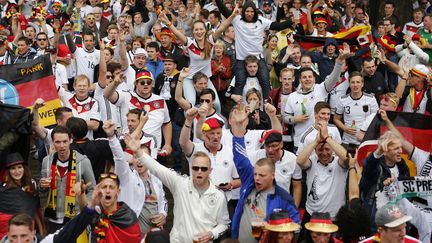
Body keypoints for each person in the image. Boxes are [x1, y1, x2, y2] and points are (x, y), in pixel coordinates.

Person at [124, 134, 230, 242]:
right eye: (195, 168)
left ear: (210, 170)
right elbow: (157, 168)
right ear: (191, 169)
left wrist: (212, 234)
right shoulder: (180, 183)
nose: (199, 171)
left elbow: (224, 223)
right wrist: (139, 152)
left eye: (203, 169)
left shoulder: (218, 195)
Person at [230, 105, 299, 242]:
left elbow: (295, 227)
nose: (256, 178)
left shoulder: (283, 198)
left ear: (273, 175)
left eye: (262, 176)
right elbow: (240, 158)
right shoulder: (249, 182)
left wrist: (275, 230)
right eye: (255, 174)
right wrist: (238, 130)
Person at [158, 5, 237, 113]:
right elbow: (176, 33)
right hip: (190, 79)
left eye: (201, 29)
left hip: (205, 79)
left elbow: (222, 27)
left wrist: (233, 15)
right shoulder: (189, 43)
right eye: (196, 30)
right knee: (191, 105)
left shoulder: (210, 40)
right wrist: (167, 22)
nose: (199, 32)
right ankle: (190, 126)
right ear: (193, 32)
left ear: (205, 30)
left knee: (217, 104)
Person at [103, 120, 167, 236]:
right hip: (132, 235)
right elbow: (119, 158)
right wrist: (112, 137)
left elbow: (164, 201)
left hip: (153, 235)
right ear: (132, 158)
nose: (139, 161)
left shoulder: (156, 179)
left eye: (143, 157)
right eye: (136, 157)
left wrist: (163, 214)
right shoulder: (127, 177)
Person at [284, 43, 352, 151]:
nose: (307, 79)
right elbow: (285, 117)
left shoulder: (321, 89)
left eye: (310, 77)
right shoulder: (292, 96)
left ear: (314, 79)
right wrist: (294, 119)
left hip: (321, 141)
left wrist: (339, 61)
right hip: (300, 142)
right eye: (304, 77)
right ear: (300, 80)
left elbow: (334, 77)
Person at [40, 126, 96, 233]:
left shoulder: (83, 161)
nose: (62, 146)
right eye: (58, 142)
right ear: (53, 142)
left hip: (75, 217)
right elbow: (43, 191)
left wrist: (84, 207)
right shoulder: (46, 161)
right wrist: (42, 187)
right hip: (53, 218)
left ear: (71, 140)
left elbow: (93, 188)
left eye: (65, 141)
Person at [297, 121, 348, 220]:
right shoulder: (312, 161)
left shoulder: (339, 163)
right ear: (315, 151)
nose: (324, 153)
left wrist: (328, 138)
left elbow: (347, 159)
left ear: (333, 150)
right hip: (312, 213)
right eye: (320, 149)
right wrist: (316, 141)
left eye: (327, 149)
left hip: (334, 216)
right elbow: (299, 161)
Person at [360, 130, 410, 232]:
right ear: (385, 151)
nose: (401, 151)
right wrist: (384, 188)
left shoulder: (403, 167)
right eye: (396, 148)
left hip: (399, 222)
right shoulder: (376, 167)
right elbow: (368, 166)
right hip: (377, 223)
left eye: (401, 147)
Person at [0, 153, 42, 239]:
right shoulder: (3, 189)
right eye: (13, 168)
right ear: (8, 171)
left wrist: (41, 232)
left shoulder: (31, 185)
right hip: (9, 232)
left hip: (28, 229)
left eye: (19, 167)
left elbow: (35, 209)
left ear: (24, 168)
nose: (17, 171)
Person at [333, 71, 379, 148]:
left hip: (365, 142)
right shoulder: (342, 100)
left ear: (362, 84)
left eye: (358, 82)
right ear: (349, 84)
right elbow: (336, 119)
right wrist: (344, 128)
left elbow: (376, 119)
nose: (355, 85)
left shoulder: (371, 99)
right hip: (347, 142)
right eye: (352, 82)